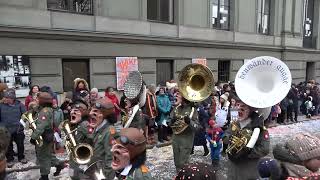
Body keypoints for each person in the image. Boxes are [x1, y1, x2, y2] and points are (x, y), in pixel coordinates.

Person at [224, 96, 270, 180]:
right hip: (233, 167)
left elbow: (265, 149)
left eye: (243, 108)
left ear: (250, 110)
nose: (238, 110)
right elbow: (226, 135)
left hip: (248, 169)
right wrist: (228, 139)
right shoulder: (235, 123)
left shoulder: (259, 128)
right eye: (238, 106)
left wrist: (246, 153)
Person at [30, 89, 63, 180]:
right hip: (47, 136)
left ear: (42, 101)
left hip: (44, 136)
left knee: (43, 157)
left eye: (37, 99)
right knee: (48, 154)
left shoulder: (44, 112)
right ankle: (59, 164)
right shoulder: (46, 109)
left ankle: (44, 176)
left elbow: (41, 126)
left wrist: (33, 137)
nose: (36, 100)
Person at [87, 98, 117, 179]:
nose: (90, 113)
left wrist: (106, 176)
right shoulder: (98, 127)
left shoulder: (110, 131)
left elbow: (111, 158)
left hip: (103, 173)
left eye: (95, 112)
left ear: (104, 115)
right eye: (91, 110)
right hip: (96, 170)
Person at [170, 93, 199, 172]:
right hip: (176, 139)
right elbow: (169, 122)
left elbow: (197, 128)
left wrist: (190, 122)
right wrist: (172, 121)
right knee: (177, 162)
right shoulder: (176, 108)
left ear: (184, 98)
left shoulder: (193, 110)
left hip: (186, 140)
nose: (177, 96)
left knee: (183, 163)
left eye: (179, 95)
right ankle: (179, 175)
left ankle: (184, 176)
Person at [0, 88, 27, 167]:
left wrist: (21, 125)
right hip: (5, 130)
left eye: (7, 98)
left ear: (12, 98)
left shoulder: (20, 105)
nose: (5, 99)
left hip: (18, 129)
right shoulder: (1, 106)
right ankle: (10, 159)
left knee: (20, 144)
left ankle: (21, 157)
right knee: (8, 145)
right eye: (5, 97)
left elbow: (25, 116)